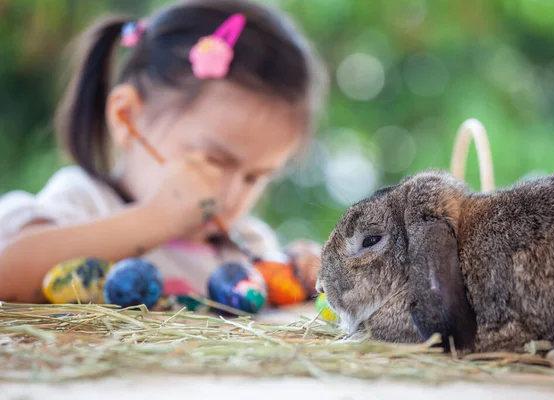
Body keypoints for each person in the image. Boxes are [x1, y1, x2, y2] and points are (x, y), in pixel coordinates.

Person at [0, 0, 328, 303]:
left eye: (255, 177)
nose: (229, 198)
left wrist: (306, 281)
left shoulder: (248, 247)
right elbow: (7, 277)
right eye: (214, 161)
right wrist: (155, 220)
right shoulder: (85, 202)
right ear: (126, 118)